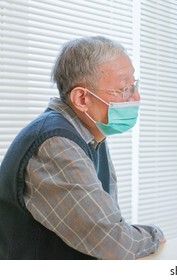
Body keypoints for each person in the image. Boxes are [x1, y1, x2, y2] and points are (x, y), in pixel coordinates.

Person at [0, 36, 165, 259]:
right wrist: (156, 234)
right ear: (82, 98)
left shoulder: (92, 135)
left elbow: (109, 221)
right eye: (124, 88)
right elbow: (115, 243)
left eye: (134, 85)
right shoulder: (55, 145)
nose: (137, 97)